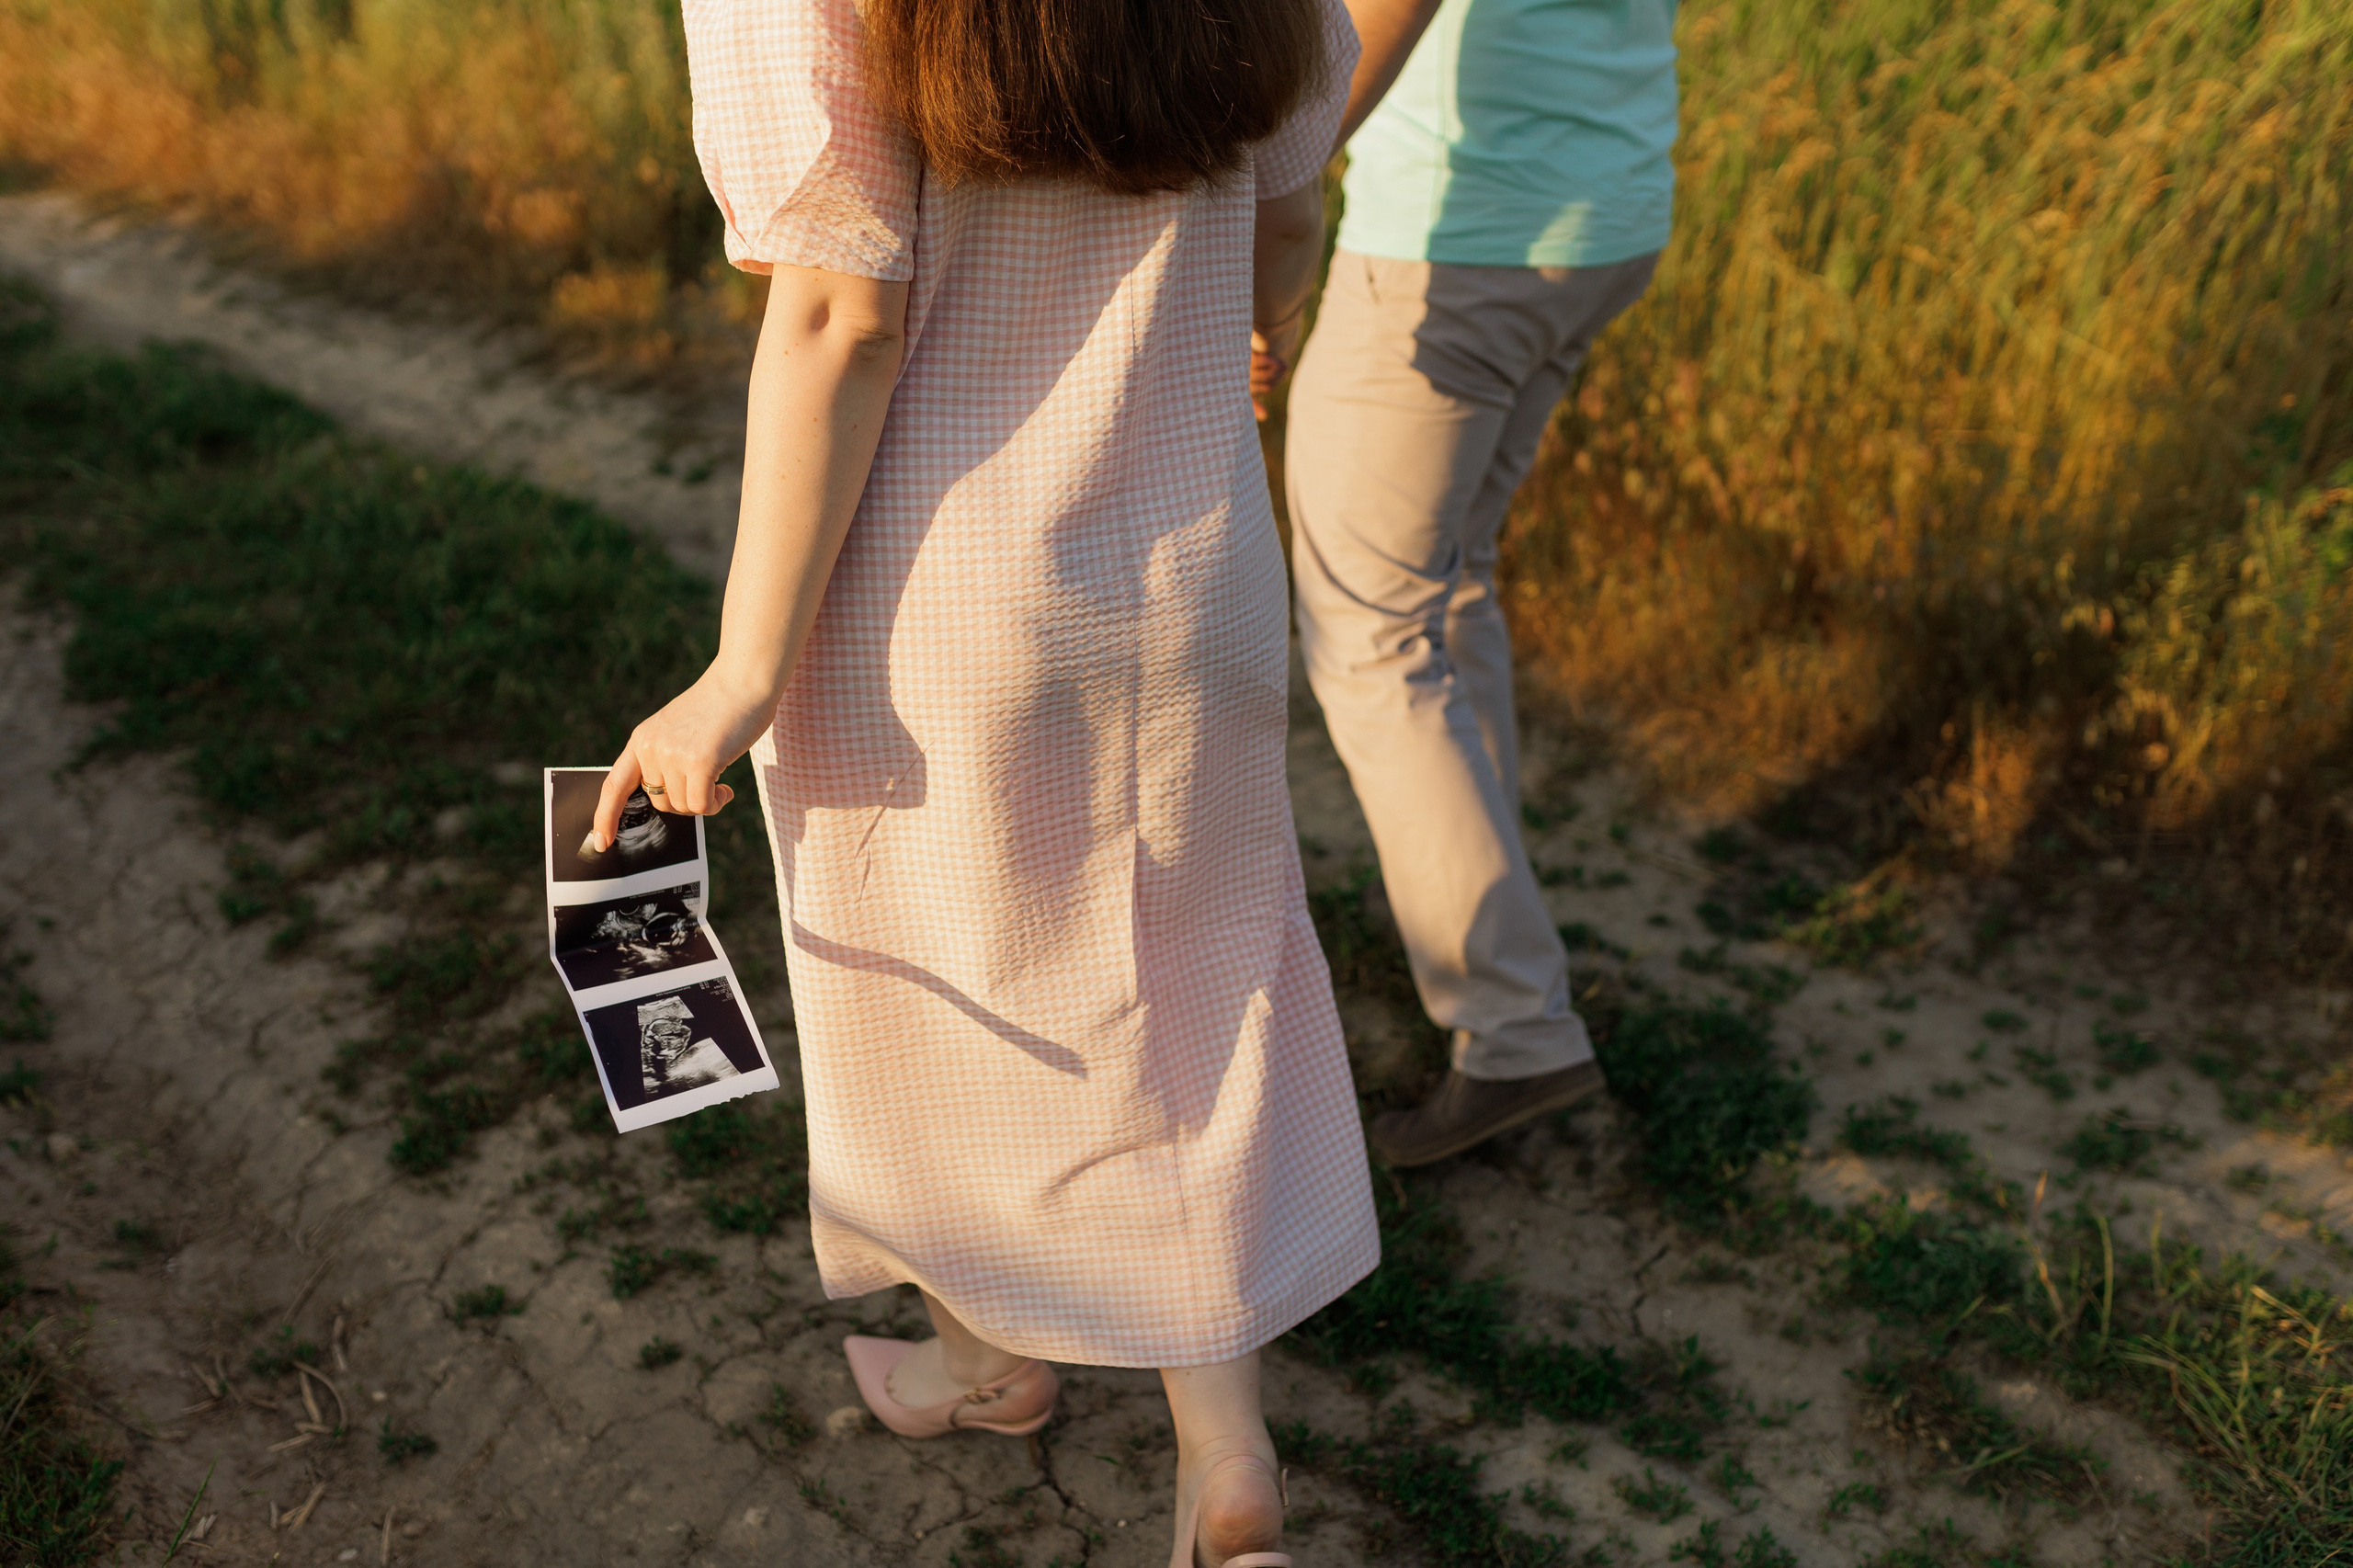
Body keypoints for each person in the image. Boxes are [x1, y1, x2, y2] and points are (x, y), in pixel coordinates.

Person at [590, 0, 1376, 1562]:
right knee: (1194, 985)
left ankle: (985, 1356)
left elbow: (838, 315)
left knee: (939, 1002)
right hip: (1193, 562)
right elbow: (1288, 203)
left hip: (938, 592)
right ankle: (1226, 1460)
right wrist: (1246, 329)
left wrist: (744, 666)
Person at [1267, 0, 1679, 1167]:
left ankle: (1511, 1027)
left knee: (1372, 631)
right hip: (1599, 215)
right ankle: (1510, 968)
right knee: (1442, 596)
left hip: (1455, 244)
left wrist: (1261, 207)